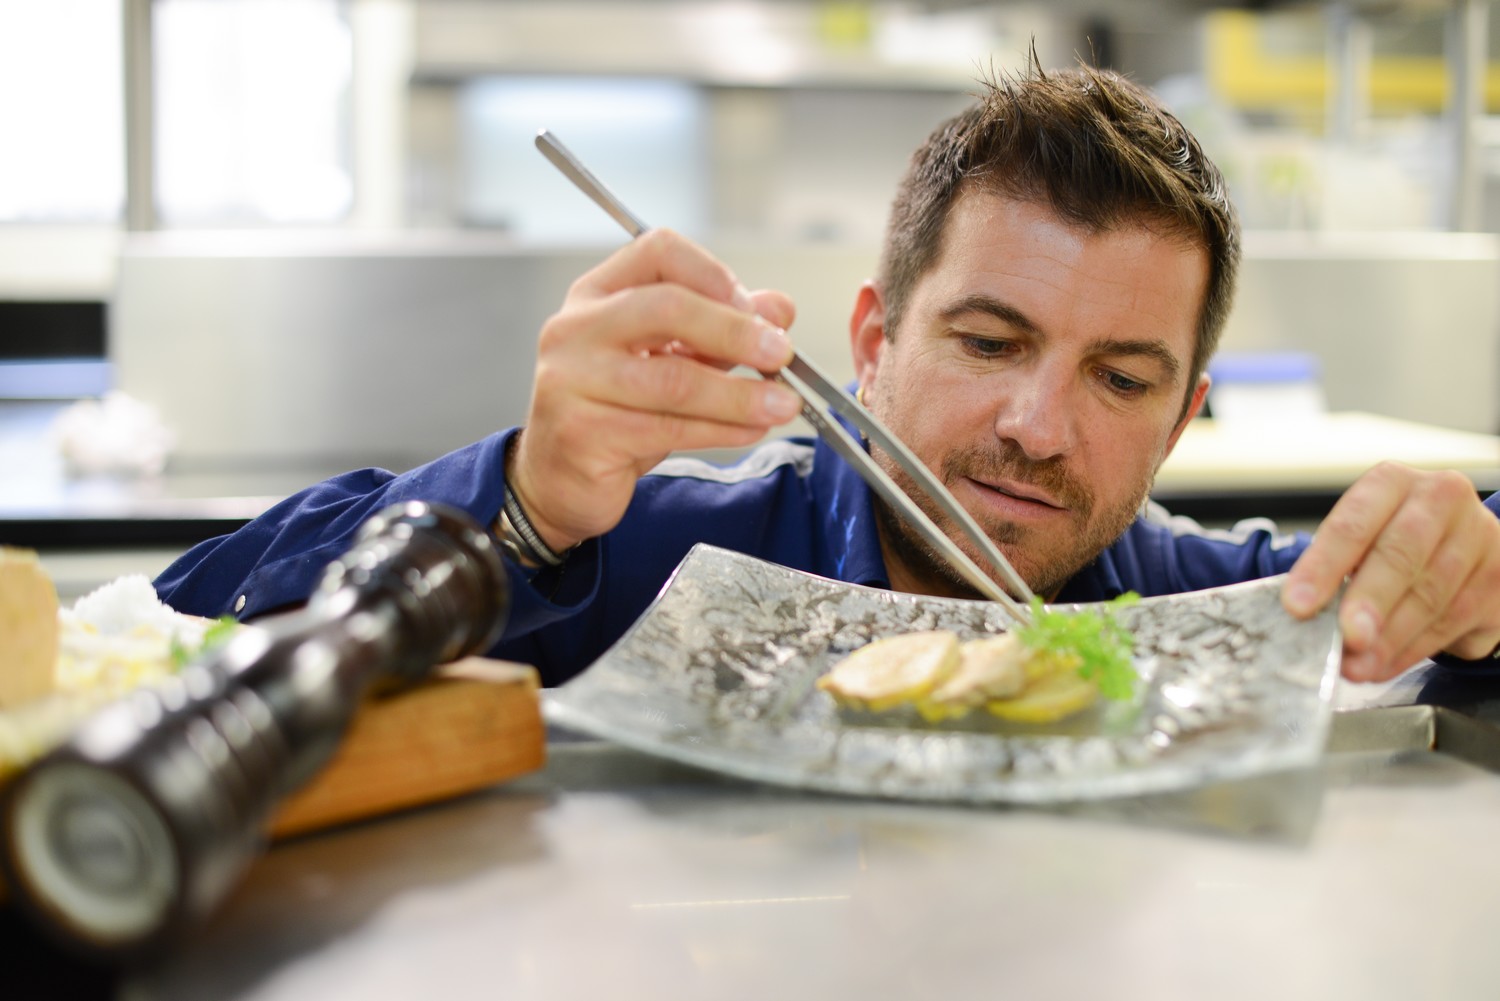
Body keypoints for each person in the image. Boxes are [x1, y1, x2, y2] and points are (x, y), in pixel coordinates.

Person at [155, 60, 1500, 688]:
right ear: (871, 341)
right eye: (988, 342)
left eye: (1122, 378)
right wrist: (520, 508)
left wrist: (1479, 588)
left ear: (1182, 421)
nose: (1036, 427)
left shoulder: (1211, 614)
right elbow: (190, 615)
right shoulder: (655, 560)